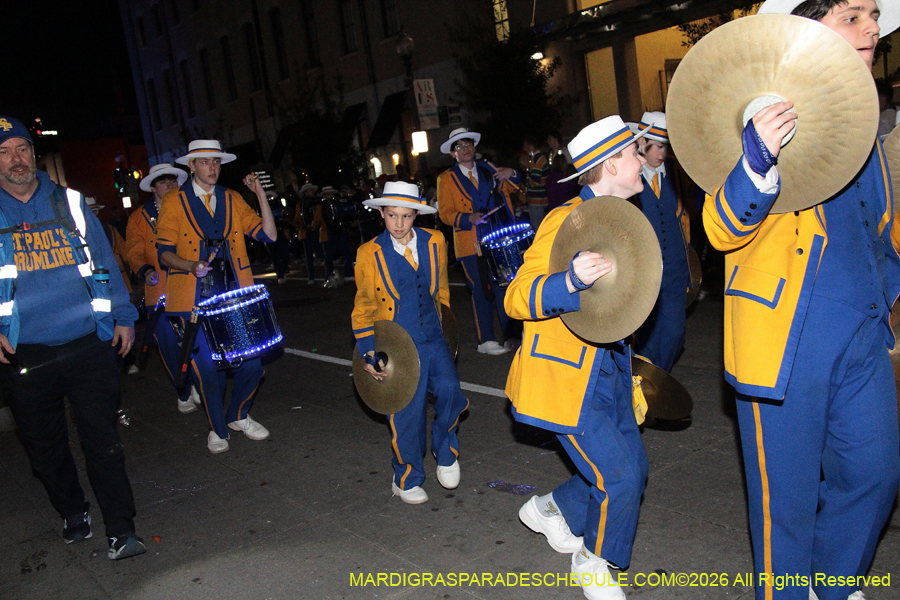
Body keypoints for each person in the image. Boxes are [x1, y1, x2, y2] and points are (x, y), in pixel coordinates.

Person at [703, 2, 900, 599]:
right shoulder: (758, 116)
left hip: (864, 332)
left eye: (873, 14)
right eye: (853, 15)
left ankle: (832, 585)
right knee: (782, 507)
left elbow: (880, 224)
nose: (872, 27)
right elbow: (719, 228)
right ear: (808, 28)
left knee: (876, 474)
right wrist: (756, 160)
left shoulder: (865, 119)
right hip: (785, 341)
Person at [505, 115, 650, 600]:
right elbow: (516, 296)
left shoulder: (623, 218)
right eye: (634, 151)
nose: (643, 156)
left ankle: (549, 511)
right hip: (565, 379)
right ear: (611, 164)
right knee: (620, 476)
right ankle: (593, 560)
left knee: (634, 469)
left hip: (611, 371)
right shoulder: (565, 220)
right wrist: (567, 282)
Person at [0, 116, 146, 560]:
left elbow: (105, 260)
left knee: (103, 438)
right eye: (3, 152)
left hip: (87, 342)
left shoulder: (72, 203)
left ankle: (121, 529)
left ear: (34, 154)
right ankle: (71, 509)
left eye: (22, 149)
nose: (15, 159)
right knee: (44, 447)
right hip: (24, 352)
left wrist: (123, 315)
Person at [351, 181, 469, 504]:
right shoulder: (368, 254)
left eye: (406, 216)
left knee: (450, 392)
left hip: (433, 337)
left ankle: (445, 451)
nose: (399, 224)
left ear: (417, 214)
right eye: (392, 216)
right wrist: (369, 351)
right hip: (397, 346)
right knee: (407, 413)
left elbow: (441, 288)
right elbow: (362, 309)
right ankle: (405, 476)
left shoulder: (436, 241)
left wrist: (447, 327)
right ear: (381, 214)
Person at [157, 139, 277, 454]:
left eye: (217, 162)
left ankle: (237, 415)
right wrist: (190, 265)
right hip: (192, 301)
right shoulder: (174, 201)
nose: (213, 167)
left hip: (234, 298)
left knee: (252, 366)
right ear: (191, 166)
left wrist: (260, 195)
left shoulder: (232, 198)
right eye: (206, 161)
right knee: (208, 371)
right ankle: (218, 429)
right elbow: (164, 254)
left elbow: (269, 234)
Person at [437, 127, 522, 355]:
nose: (465, 149)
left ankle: (511, 336)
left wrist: (511, 172)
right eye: (459, 147)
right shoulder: (446, 179)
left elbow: (514, 187)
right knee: (481, 290)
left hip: (497, 236)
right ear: (453, 154)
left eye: (468, 145)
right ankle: (485, 340)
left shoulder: (487, 169)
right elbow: (445, 213)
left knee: (504, 285)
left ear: (474, 147)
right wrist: (467, 218)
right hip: (470, 243)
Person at [125, 162, 201, 414]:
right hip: (159, 292)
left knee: (197, 340)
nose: (169, 185)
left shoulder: (190, 209)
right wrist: (145, 270)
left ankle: (201, 383)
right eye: (163, 181)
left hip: (190, 286)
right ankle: (182, 390)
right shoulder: (139, 218)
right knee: (168, 345)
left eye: (173, 181)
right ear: (153, 187)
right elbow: (133, 252)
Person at [631, 112, 691, 372]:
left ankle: (656, 381)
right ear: (642, 145)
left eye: (666, 146)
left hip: (676, 271)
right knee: (648, 341)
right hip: (645, 275)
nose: (663, 153)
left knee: (675, 335)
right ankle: (645, 390)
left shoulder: (677, 175)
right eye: (659, 146)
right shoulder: (630, 178)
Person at [319, 185, 355, 288]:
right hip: (329, 233)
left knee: (347, 252)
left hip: (338, 231)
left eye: (331, 193)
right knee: (329, 256)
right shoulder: (322, 205)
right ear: (325, 195)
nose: (330, 195)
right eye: (328, 194)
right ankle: (328, 276)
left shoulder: (336, 203)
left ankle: (348, 273)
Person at [292, 182, 323, 285]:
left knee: (323, 253)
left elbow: (321, 215)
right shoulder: (300, 204)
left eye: (312, 190)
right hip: (306, 232)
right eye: (310, 190)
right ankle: (311, 276)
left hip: (318, 230)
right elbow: (297, 217)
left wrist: (317, 222)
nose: (312, 192)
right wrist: (297, 223)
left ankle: (327, 274)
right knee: (308, 255)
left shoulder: (319, 202)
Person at [523, 136, 551, 229]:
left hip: (538, 200)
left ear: (531, 146)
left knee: (538, 228)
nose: (524, 148)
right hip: (537, 199)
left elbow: (535, 182)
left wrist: (527, 166)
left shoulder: (537, 159)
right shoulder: (537, 158)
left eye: (525, 145)